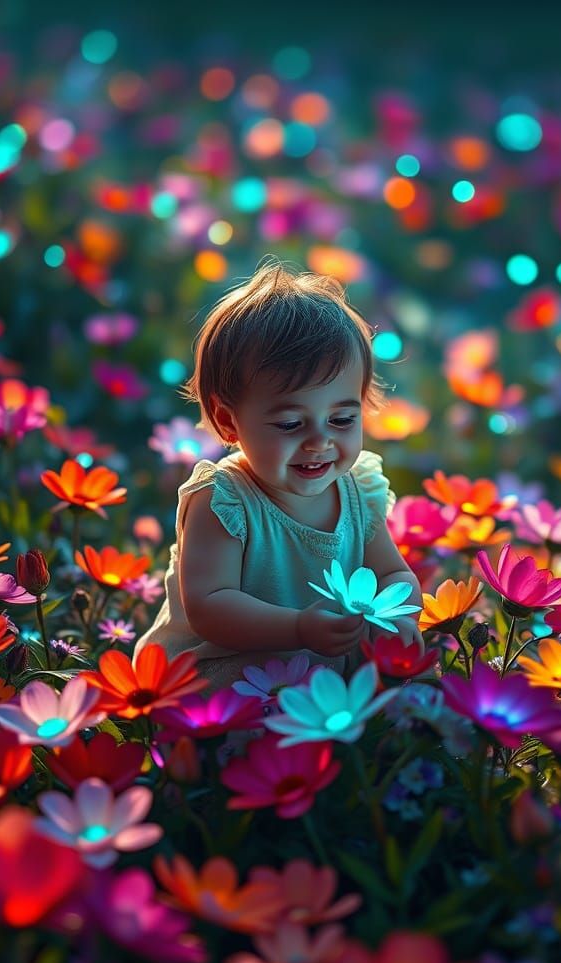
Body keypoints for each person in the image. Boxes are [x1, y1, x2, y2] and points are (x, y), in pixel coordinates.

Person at [135, 260, 423, 691]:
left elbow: (391, 573)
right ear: (228, 421)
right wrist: (298, 629)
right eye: (291, 424)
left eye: (343, 419)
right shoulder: (225, 501)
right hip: (225, 669)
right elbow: (210, 607)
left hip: (316, 669)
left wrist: (398, 614)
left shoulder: (358, 488)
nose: (319, 442)